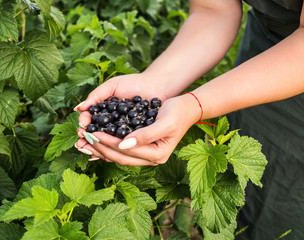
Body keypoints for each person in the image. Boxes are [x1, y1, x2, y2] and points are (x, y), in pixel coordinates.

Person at [74, 0, 304, 239]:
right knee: (246, 197)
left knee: (282, 210)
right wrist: (156, 82)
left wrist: (196, 104)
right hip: (263, 54)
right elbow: (213, 9)